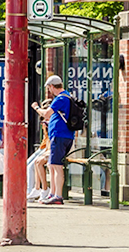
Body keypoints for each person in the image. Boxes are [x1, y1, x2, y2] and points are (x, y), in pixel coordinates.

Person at [42, 75, 76, 205]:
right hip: (64, 136)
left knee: (57, 167)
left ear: (51, 87)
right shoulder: (68, 96)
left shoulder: (60, 98)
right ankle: (53, 194)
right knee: (52, 164)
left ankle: (58, 196)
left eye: (49, 88)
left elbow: (46, 114)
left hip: (60, 135)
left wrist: (37, 109)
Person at [28, 99, 53, 202]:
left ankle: (35, 190)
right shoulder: (45, 122)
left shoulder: (52, 121)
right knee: (30, 164)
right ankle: (35, 189)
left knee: (33, 165)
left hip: (49, 148)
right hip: (44, 147)